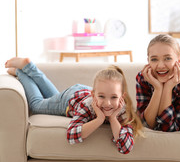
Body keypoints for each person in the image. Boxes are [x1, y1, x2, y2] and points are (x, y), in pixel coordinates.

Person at [5, 58, 143, 154]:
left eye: (113, 97)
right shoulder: (87, 106)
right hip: (69, 99)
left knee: (52, 97)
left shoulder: (122, 111)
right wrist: (99, 120)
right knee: (36, 105)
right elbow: (71, 135)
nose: (107, 103)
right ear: (94, 96)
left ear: (122, 97)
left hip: (80, 91)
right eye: (101, 97)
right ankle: (21, 72)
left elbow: (125, 147)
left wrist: (113, 119)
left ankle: (29, 67)